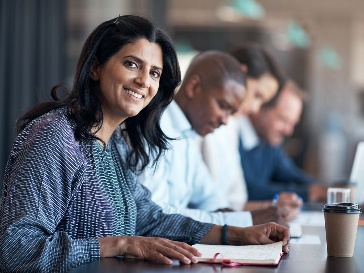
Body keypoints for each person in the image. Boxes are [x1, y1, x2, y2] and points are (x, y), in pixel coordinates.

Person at [0, 15, 290, 272]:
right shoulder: (55, 136)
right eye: (131, 64)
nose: (143, 81)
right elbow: (15, 250)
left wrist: (238, 234)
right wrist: (119, 244)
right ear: (96, 68)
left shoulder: (113, 145)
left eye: (154, 73)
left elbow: (149, 218)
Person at [134, 49, 291, 228]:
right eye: (222, 106)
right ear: (194, 87)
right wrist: (242, 221)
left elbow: (210, 198)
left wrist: (247, 224)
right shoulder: (155, 126)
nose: (225, 120)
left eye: (231, 112)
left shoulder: (189, 134)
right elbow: (156, 214)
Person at [201, 43, 302, 219]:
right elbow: (210, 206)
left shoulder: (231, 126)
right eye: (257, 95)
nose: (256, 109)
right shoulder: (208, 125)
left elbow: (234, 200)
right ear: (241, 74)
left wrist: (272, 208)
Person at [240, 79, 327, 202]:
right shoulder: (234, 135)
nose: (288, 132)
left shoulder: (269, 142)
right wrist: (308, 193)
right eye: (283, 120)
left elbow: (291, 175)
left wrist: (325, 190)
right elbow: (248, 190)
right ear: (259, 107)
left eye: (292, 124)